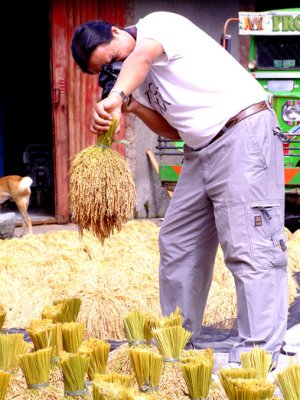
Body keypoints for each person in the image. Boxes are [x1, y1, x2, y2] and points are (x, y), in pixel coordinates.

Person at [71, 11, 288, 367]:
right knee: (177, 241)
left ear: (116, 31)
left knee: (249, 245)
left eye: (112, 57)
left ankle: (258, 354)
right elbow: (172, 129)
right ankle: (178, 342)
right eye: (104, 71)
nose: (115, 67)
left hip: (242, 134)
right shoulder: (138, 82)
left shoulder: (157, 26)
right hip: (199, 151)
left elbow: (139, 57)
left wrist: (116, 95)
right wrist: (133, 106)